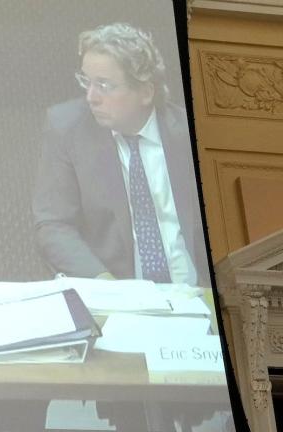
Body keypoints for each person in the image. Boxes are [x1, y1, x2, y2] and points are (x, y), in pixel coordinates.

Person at [33, 23, 205, 285]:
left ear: (146, 92)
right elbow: (53, 226)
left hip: (194, 292)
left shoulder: (187, 134)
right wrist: (105, 284)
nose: (91, 97)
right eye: (86, 81)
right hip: (116, 292)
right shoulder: (66, 128)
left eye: (104, 85)